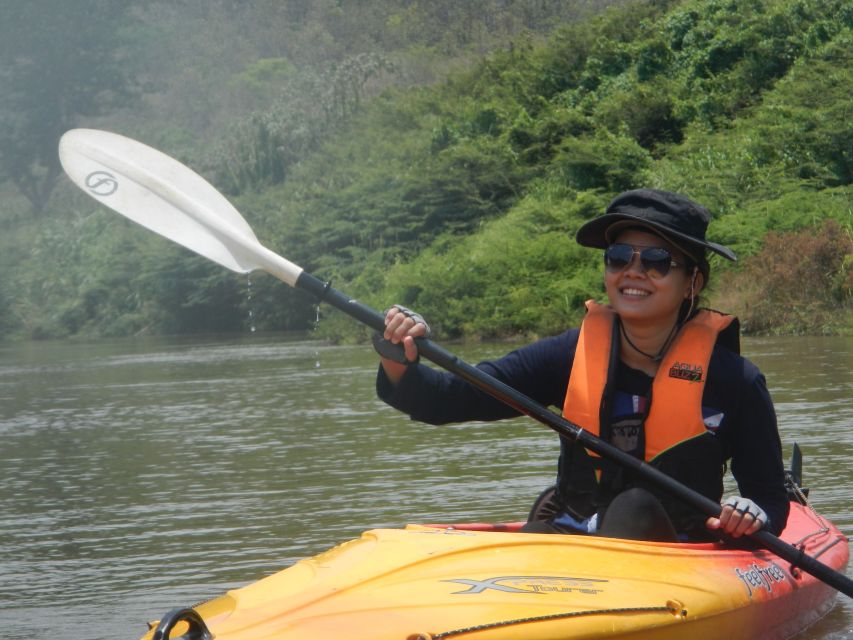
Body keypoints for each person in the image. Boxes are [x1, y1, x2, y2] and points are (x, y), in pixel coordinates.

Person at [373, 188, 789, 542]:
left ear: (692, 283)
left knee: (635, 508)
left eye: (657, 261)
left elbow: (769, 499)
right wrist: (399, 356)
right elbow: (448, 399)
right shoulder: (567, 356)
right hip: (576, 547)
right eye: (619, 257)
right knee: (546, 520)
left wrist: (752, 514)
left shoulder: (735, 380)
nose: (633, 272)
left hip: (678, 557)